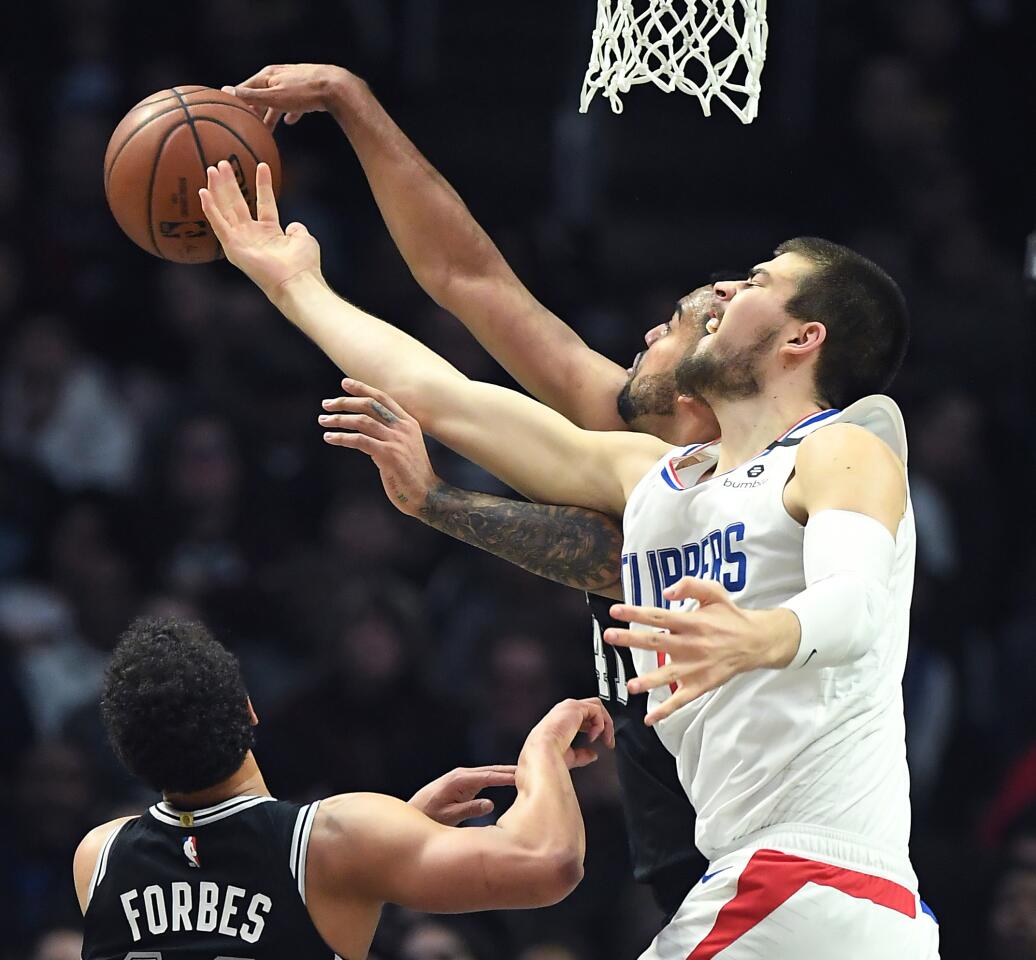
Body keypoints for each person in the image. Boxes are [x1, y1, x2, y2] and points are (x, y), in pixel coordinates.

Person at [199, 142, 938, 955]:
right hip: (784, 888)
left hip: (810, 877)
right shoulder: (656, 477)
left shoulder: (840, 450)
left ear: (804, 339)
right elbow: (447, 397)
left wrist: (761, 634)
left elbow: (860, 601)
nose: (729, 291)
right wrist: (291, 282)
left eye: (758, 282)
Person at [74, 616, 612, 959]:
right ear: (249, 712)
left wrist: (395, 830)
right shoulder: (329, 843)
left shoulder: (98, 857)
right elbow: (549, 861)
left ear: (129, 754)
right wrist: (541, 749)